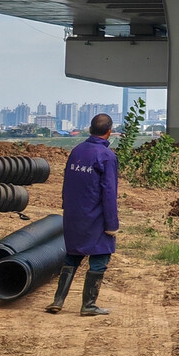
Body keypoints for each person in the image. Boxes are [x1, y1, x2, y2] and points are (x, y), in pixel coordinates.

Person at [48, 113, 120, 316]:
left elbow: (67, 183)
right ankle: (88, 305)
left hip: (74, 214)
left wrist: (67, 207)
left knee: (72, 255)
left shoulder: (77, 151)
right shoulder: (107, 156)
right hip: (96, 217)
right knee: (100, 256)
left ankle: (58, 300)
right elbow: (109, 192)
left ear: (90, 129)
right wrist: (112, 224)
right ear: (109, 132)